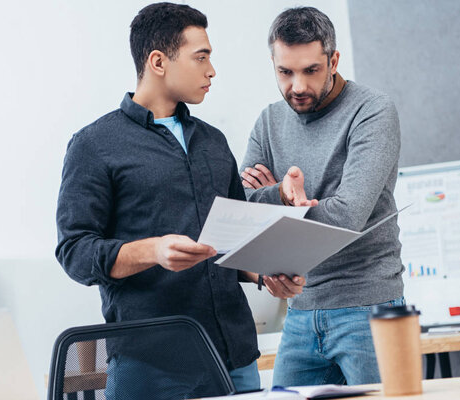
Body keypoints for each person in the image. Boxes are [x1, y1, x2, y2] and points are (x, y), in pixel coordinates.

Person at [55, 3, 302, 397]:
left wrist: (266, 275)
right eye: (200, 57)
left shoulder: (214, 142)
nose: (212, 70)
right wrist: (153, 250)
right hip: (153, 365)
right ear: (158, 61)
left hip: (234, 358)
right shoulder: (94, 146)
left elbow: (231, 245)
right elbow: (75, 252)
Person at [240, 7, 405, 386]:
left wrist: (275, 207)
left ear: (333, 61)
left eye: (310, 70)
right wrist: (281, 195)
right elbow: (242, 211)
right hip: (299, 310)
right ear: (273, 63)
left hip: (367, 305)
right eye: (285, 72)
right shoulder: (268, 121)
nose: (297, 86)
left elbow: (347, 216)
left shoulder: (372, 111)